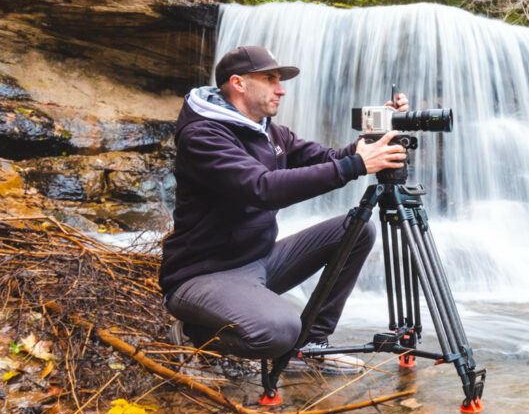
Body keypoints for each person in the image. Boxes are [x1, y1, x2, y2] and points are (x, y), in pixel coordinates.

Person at [159, 45, 407, 368]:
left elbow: (333, 159)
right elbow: (261, 188)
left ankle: (313, 343)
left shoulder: (269, 132)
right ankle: (196, 331)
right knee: (280, 331)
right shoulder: (203, 136)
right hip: (203, 276)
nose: (282, 90)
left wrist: (378, 133)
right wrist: (356, 165)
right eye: (271, 79)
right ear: (239, 83)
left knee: (358, 230)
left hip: (258, 261)